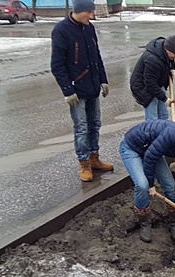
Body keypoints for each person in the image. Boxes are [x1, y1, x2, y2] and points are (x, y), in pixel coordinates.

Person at [50, 0, 114, 182]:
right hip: (76, 90)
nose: (92, 16)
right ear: (78, 11)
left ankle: (94, 158)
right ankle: (84, 162)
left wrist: (103, 79)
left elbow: (96, 56)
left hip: (92, 86)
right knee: (81, 128)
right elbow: (57, 65)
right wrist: (67, 90)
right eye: (89, 12)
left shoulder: (89, 28)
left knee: (95, 123)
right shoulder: (62, 31)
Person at [130, 35, 175, 122]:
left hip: (157, 82)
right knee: (152, 119)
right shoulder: (152, 60)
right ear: (167, 50)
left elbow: (170, 61)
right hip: (143, 87)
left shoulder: (167, 51)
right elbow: (150, 84)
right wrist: (165, 99)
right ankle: (153, 134)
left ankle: (163, 133)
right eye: (174, 54)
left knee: (163, 115)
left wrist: (172, 68)